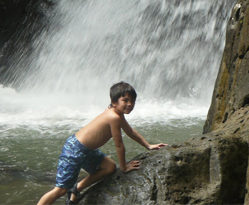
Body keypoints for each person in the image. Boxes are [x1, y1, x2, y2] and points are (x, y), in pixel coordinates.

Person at [37, 82, 168, 205]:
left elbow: (130, 131)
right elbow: (119, 145)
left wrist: (148, 145)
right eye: (125, 100)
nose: (130, 104)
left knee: (109, 167)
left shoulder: (117, 113)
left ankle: (77, 188)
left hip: (86, 150)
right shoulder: (114, 117)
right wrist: (124, 167)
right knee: (60, 190)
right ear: (114, 102)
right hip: (75, 149)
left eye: (132, 101)